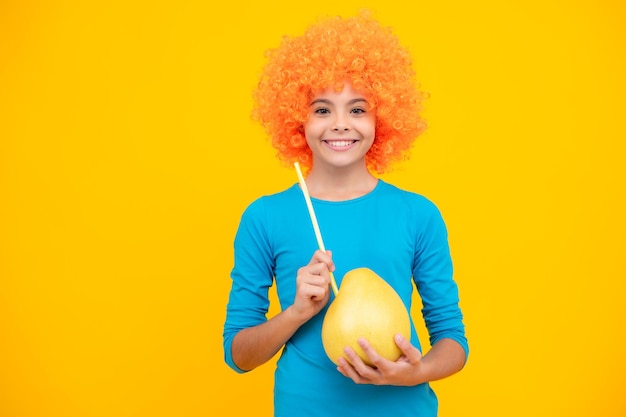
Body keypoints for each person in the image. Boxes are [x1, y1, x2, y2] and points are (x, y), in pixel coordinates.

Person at [222, 11, 468, 417]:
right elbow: (239, 355)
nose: (339, 125)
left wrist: (416, 370)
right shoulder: (264, 217)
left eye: (357, 109)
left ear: (381, 118)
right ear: (297, 120)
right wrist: (297, 312)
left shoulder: (418, 214)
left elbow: (453, 341)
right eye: (322, 110)